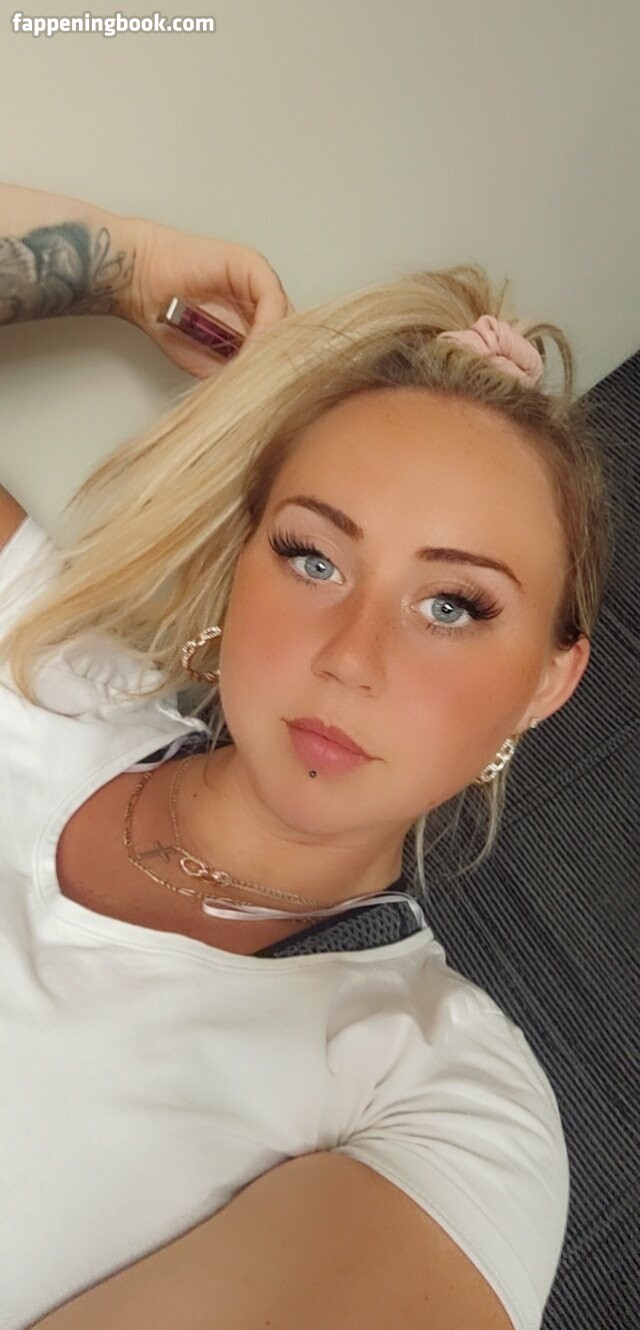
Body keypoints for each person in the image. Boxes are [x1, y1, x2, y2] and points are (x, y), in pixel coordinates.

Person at [0, 183, 612, 1330]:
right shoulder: (38, 663)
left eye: (452, 605)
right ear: (242, 564)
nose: (350, 657)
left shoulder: (442, 1104)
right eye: (314, 558)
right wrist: (125, 263)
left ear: (546, 681)